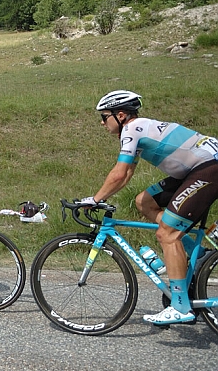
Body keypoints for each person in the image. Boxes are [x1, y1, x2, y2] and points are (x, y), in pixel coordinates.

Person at [78, 90, 218, 325]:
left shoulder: (132, 129)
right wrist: (100, 197)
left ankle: (181, 307)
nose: (102, 123)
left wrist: (94, 199)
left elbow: (119, 173)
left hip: (208, 168)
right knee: (144, 201)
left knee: (167, 234)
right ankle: (195, 252)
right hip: (199, 168)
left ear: (120, 115)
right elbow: (126, 175)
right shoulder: (140, 127)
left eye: (104, 117)